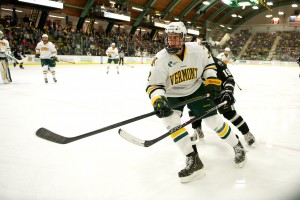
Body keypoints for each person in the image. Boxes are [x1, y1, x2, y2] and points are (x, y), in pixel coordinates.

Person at [146, 22, 246, 183]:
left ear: (183, 38)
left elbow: (208, 65)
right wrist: (158, 100)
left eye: (176, 38)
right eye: (169, 38)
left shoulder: (198, 50)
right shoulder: (160, 59)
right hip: (172, 94)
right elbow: (154, 85)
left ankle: (237, 145)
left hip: (195, 88)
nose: (172, 42)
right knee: (172, 123)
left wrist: (212, 80)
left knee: (214, 121)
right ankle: (193, 160)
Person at [189, 46, 256, 147]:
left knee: (229, 113)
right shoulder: (192, 64)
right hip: (202, 94)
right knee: (193, 110)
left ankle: (247, 133)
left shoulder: (217, 63)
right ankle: (197, 131)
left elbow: (229, 79)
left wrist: (228, 92)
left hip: (218, 92)